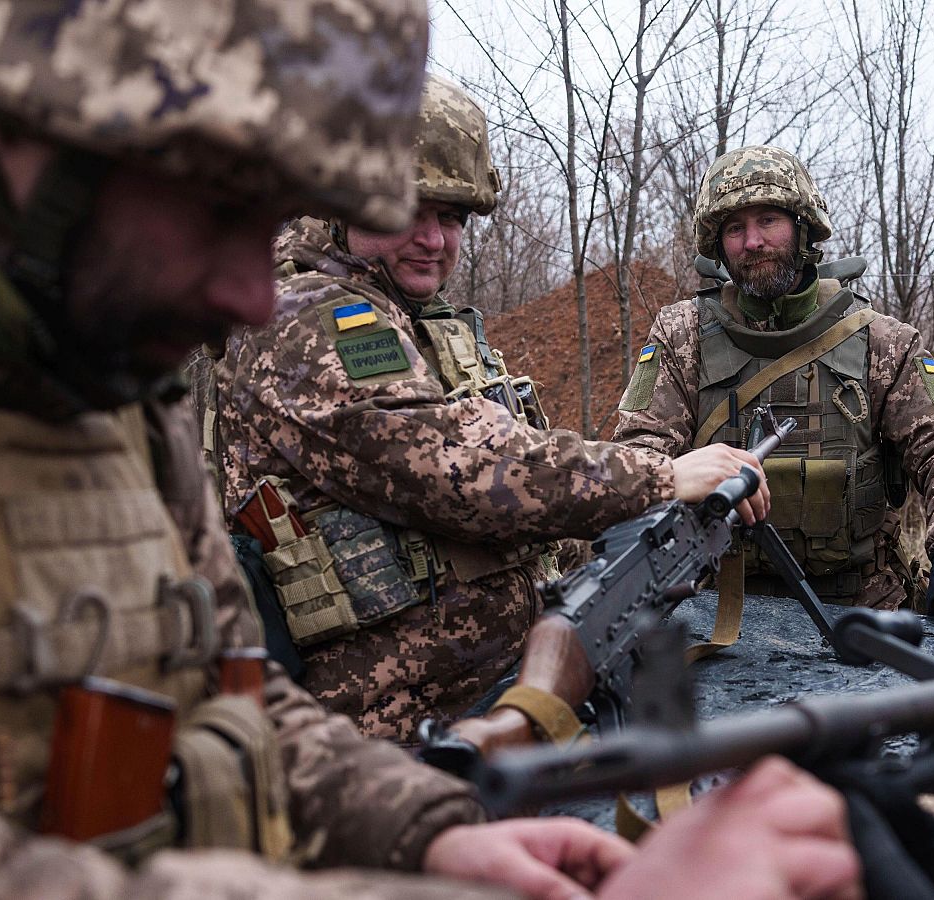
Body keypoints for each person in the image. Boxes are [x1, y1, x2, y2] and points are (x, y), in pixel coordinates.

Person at [0, 2, 861, 898]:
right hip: (395, 703)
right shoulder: (284, 325)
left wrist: (431, 832)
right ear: (25, 141)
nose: (250, 297)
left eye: (453, 216)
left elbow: (246, 707)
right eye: (218, 214)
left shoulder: (111, 389)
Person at [211, 75, 773, 741]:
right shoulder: (307, 316)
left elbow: (519, 488)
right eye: (405, 211)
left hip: (492, 687)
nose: (432, 239)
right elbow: (456, 467)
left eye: (450, 217)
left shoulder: (420, 321)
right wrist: (657, 479)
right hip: (381, 730)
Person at [614, 145, 934, 621]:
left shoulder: (881, 341)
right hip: (714, 607)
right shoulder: (681, 336)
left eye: (768, 220)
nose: (752, 241)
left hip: (861, 609)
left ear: (803, 226)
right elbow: (640, 449)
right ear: (717, 245)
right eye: (735, 228)